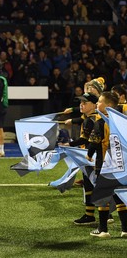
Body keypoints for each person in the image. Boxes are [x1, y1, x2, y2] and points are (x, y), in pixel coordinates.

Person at [85, 91, 126, 237]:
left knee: (103, 196)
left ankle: (103, 229)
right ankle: (125, 229)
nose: (97, 103)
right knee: (119, 196)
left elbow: (94, 143)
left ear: (108, 106)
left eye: (100, 101)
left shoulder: (100, 122)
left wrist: (89, 155)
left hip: (104, 166)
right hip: (121, 166)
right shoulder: (122, 121)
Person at [61, 93, 98, 225]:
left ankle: (96, 216)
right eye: (81, 102)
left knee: (93, 185)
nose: (81, 105)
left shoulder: (91, 119)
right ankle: (92, 215)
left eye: (85, 103)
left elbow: (84, 139)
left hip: (92, 157)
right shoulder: (93, 117)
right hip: (94, 156)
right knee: (91, 184)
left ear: (94, 105)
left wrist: (67, 145)